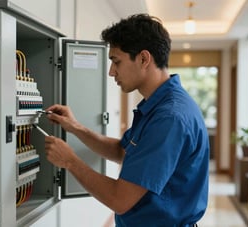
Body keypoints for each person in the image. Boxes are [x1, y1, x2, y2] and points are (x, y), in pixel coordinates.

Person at [44, 14, 209, 226]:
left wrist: (70, 161)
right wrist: (75, 128)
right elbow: (122, 151)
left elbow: (119, 199)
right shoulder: (158, 105)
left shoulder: (169, 118)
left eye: (116, 61)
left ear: (143, 59)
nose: (111, 72)